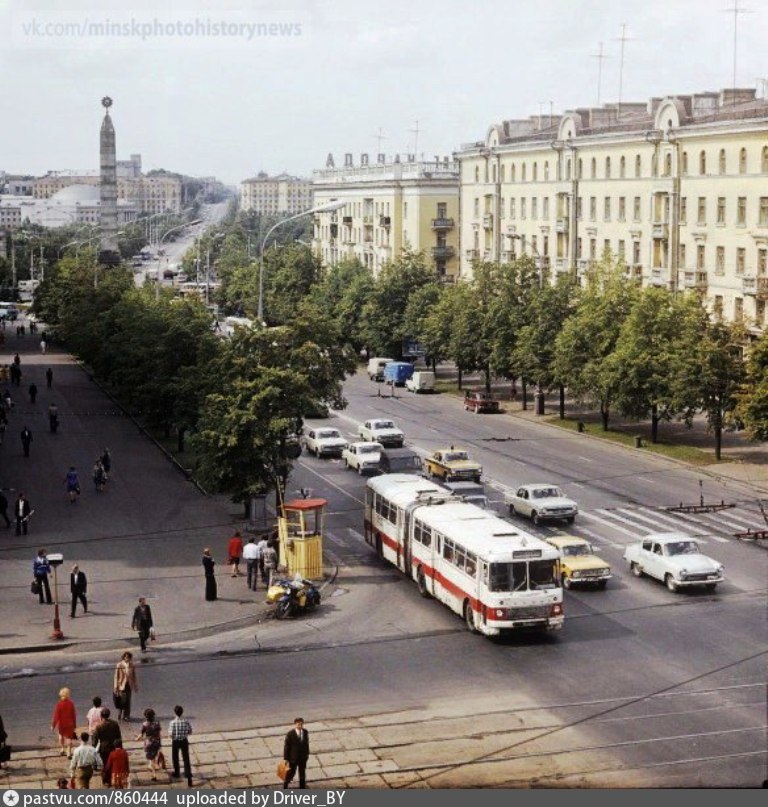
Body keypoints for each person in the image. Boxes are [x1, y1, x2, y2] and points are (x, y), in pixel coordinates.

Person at [91, 707, 122, 785]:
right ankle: (112, 778)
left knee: (105, 764)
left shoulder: (99, 726)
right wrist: (120, 747)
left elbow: (95, 739)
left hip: (103, 748)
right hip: (113, 747)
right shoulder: (115, 724)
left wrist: (94, 747)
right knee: (113, 763)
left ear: (101, 716)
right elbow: (119, 736)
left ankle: (105, 780)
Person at [282, 717, 310, 789]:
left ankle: (302, 787)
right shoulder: (290, 733)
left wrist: (307, 754)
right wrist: (286, 758)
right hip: (293, 758)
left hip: (303, 757)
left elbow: (306, 743)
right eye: (298, 724)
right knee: (291, 772)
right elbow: (287, 746)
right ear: (295, 724)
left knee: (302, 773)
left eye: (301, 724)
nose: (300, 726)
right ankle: (285, 785)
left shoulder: (305, 732)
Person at [169, 705, 193, 787]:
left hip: (175, 741)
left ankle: (177, 772)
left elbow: (170, 734)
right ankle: (188, 774)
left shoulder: (172, 722)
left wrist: (174, 736)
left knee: (175, 757)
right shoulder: (186, 722)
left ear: (175, 713)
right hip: (184, 741)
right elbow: (190, 731)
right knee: (186, 758)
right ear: (182, 712)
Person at [136, 708, 162, 781]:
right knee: (154, 756)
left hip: (149, 743)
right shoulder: (157, 723)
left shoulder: (145, 724)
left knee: (151, 759)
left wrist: (137, 739)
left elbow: (141, 734)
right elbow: (159, 734)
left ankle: (154, 775)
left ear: (146, 716)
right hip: (156, 742)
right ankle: (153, 765)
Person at [51, 687, 77, 758]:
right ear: (68, 694)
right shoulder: (71, 703)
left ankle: (62, 749)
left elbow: (56, 716)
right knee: (69, 738)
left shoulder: (59, 704)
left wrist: (53, 725)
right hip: (70, 723)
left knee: (61, 736)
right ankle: (69, 752)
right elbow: (73, 715)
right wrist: (74, 725)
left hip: (61, 724)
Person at [113, 652, 137, 721]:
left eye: (129, 657)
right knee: (121, 700)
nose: (127, 659)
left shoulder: (132, 665)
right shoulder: (119, 665)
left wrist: (135, 686)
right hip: (121, 685)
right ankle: (120, 713)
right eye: (126, 657)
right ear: (123, 657)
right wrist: (115, 687)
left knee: (128, 701)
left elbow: (134, 676)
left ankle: (126, 716)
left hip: (129, 685)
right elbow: (116, 676)